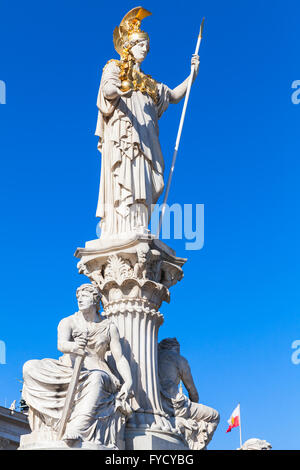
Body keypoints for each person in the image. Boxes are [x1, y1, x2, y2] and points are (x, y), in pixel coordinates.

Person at [95, 7, 199, 238]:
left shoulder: (151, 82)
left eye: (147, 45)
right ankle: (121, 226)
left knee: (145, 178)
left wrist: (192, 75)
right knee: (126, 172)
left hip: (148, 138)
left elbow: (173, 96)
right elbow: (107, 89)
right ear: (129, 46)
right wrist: (123, 89)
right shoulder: (116, 68)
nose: (146, 48)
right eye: (141, 44)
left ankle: (139, 224)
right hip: (125, 132)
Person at [22, 283, 133, 449]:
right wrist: (75, 347)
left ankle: (77, 428)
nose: (80, 299)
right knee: (29, 367)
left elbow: (120, 357)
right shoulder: (68, 321)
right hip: (68, 369)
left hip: (98, 370)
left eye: (85, 296)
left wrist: (129, 382)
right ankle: (53, 420)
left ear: (96, 300)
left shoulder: (109, 327)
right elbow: (61, 344)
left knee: (96, 378)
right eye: (78, 297)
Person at [158, 337, 220, 449]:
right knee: (214, 416)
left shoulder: (153, 357)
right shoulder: (179, 359)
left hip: (156, 403)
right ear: (176, 348)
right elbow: (193, 392)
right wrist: (193, 407)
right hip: (176, 405)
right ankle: (196, 446)